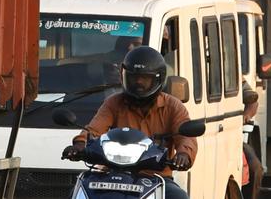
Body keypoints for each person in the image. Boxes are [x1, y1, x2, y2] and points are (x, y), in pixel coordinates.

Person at [64, 46, 195, 199]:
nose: (138, 82)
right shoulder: (113, 103)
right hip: (110, 174)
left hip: (156, 177)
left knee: (179, 197)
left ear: (159, 79)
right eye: (133, 77)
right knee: (75, 193)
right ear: (123, 76)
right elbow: (94, 129)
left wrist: (183, 154)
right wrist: (80, 145)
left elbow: (186, 135)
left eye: (145, 78)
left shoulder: (173, 106)